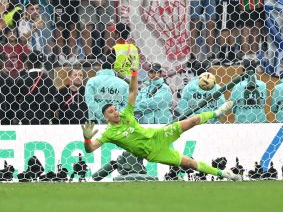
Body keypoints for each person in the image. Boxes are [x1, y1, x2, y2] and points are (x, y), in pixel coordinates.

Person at [80, 64, 241, 181]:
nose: (116, 112)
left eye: (115, 109)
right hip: (154, 153)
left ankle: (217, 111)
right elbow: (90, 149)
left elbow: (133, 91)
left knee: (193, 120)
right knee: (190, 163)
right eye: (111, 112)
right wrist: (87, 139)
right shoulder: (109, 133)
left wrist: (135, 73)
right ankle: (227, 175)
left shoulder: (126, 113)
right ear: (106, 117)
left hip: (159, 135)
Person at [15, 51, 57, 125]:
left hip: (26, 119)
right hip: (44, 119)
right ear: (41, 64)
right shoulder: (49, 80)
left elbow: (15, 101)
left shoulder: (21, 80)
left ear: (28, 63)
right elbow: (54, 100)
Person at [84, 56, 129, 123]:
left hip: (95, 122)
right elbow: (127, 104)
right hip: (117, 122)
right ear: (112, 66)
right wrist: (115, 115)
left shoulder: (92, 81)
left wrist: (104, 116)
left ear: (101, 66)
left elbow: (90, 102)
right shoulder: (123, 84)